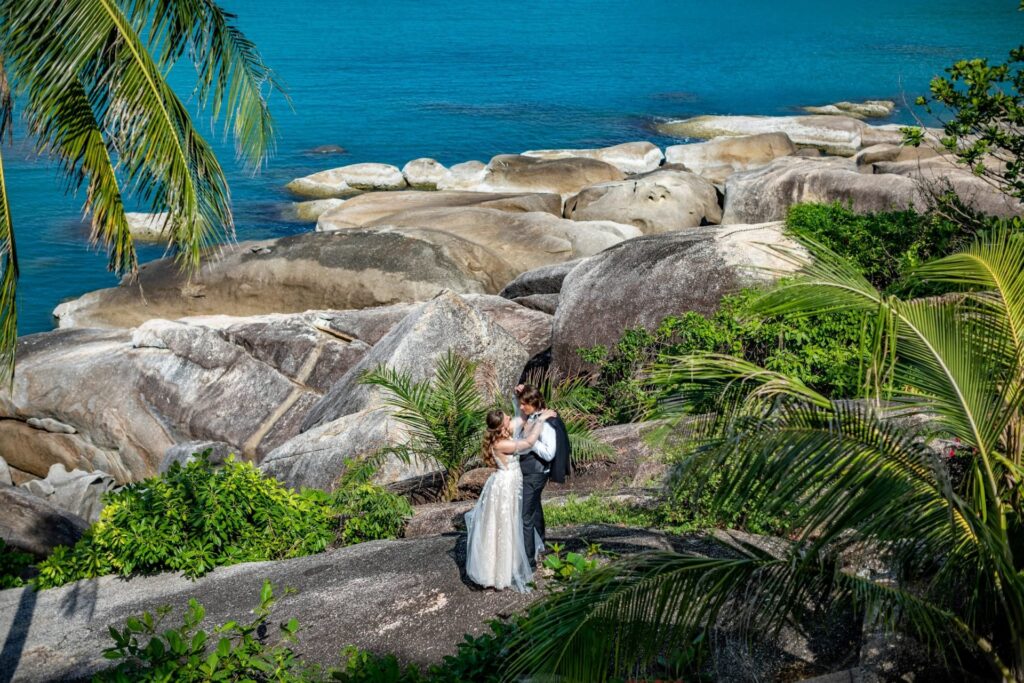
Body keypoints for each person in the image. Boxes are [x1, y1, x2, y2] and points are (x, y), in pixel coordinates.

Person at [464, 407, 557, 592]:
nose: (509, 417)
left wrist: (522, 402)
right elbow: (529, 442)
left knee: (512, 523)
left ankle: (510, 564)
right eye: (507, 417)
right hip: (505, 486)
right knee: (505, 525)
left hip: (511, 482)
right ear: (502, 425)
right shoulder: (500, 444)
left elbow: (521, 418)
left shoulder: (503, 434)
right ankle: (501, 572)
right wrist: (542, 420)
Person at [514, 383, 570, 569]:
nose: (521, 407)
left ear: (534, 403)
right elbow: (519, 418)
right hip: (528, 472)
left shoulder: (545, 423)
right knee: (535, 509)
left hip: (536, 474)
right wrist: (519, 396)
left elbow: (549, 453)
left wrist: (529, 442)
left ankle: (529, 562)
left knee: (525, 516)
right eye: (520, 403)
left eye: (524, 404)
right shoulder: (533, 416)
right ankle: (540, 545)